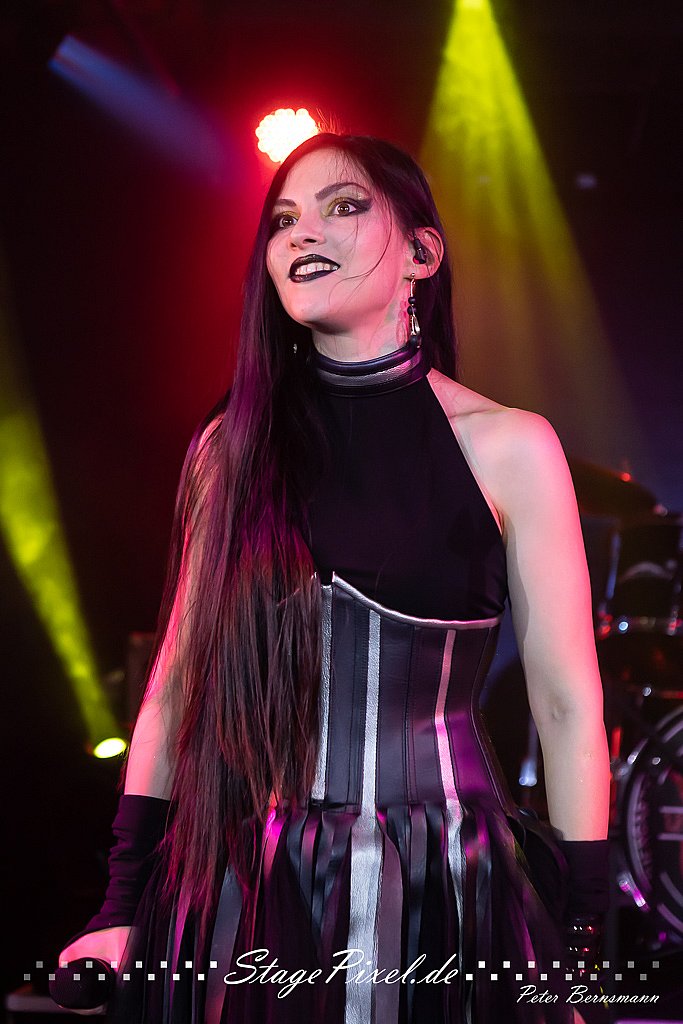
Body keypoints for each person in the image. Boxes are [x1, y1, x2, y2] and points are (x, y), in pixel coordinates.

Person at [57, 133, 611, 1024]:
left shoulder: (508, 446)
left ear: (421, 255)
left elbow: (564, 705)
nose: (302, 233)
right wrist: (119, 906)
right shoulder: (231, 448)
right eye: (282, 220)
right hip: (245, 883)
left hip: (446, 886)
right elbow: (176, 686)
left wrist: (580, 939)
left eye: (343, 206)